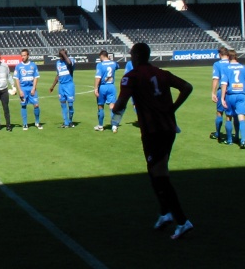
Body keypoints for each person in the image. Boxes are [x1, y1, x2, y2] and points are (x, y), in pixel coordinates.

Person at [113, 42, 194, 240]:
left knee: (160, 174)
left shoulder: (131, 76)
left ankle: (182, 221)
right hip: (169, 128)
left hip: (153, 131)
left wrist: (114, 110)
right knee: (155, 170)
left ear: (136, 56)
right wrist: (173, 108)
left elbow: (121, 103)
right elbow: (187, 87)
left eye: (132, 54)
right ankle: (165, 213)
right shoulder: (162, 73)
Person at [219, 49, 245, 148]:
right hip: (241, 95)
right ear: (236, 56)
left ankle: (229, 140)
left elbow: (224, 84)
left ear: (228, 58)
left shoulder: (226, 68)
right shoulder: (244, 67)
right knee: (241, 117)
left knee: (229, 117)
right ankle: (242, 140)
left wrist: (222, 98)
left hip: (230, 95)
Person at [14, 48, 42, 130]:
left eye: (24, 55)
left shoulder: (33, 65)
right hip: (23, 89)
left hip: (31, 88)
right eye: (21, 55)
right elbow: (17, 79)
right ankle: (25, 124)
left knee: (36, 105)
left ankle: (37, 122)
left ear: (28, 55)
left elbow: (36, 77)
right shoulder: (18, 66)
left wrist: (34, 88)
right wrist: (20, 90)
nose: (22, 57)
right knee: (23, 105)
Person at [94, 50, 119, 133]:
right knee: (112, 107)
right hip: (111, 86)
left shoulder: (100, 65)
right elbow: (117, 67)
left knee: (100, 106)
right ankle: (114, 126)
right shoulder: (114, 63)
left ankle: (100, 126)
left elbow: (98, 77)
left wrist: (95, 88)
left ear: (101, 56)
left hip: (103, 87)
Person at [49, 48, 75, 128]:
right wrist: (52, 86)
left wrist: (64, 54)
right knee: (63, 104)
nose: (61, 56)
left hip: (69, 85)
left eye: (62, 54)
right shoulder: (58, 63)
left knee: (70, 105)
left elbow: (70, 63)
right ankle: (66, 122)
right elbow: (58, 75)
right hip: (61, 86)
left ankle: (70, 121)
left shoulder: (71, 60)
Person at [210, 47, 230, 142]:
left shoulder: (217, 64)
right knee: (230, 115)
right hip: (232, 91)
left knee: (219, 113)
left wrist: (213, 92)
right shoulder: (232, 63)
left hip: (221, 90)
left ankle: (218, 134)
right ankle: (233, 137)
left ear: (219, 55)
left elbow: (215, 79)